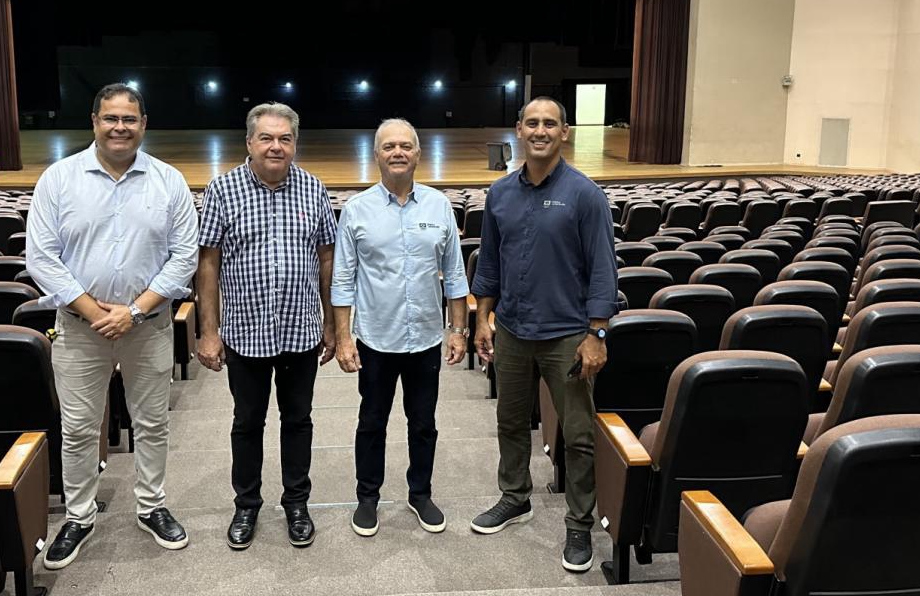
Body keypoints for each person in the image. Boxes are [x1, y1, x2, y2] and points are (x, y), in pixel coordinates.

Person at [26, 83, 199, 569]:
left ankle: (152, 505)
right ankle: (79, 516)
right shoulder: (59, 180)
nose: (119, 127)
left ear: (144, 125)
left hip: (149, 325)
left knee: (152, 422)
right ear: (94, 122)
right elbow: (41, 257)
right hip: (81, 329)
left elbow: (183, 258)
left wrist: (134, 310)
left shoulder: (169, 182)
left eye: (129, 119)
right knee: (79, 427)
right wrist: (94, 311)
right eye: (110, 118)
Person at [469, 97, 619, 573]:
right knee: (510, 423)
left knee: (577, 436)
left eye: (549, 123)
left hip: (567, 338)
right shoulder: (500, 194)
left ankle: (579, 525)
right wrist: (481, 320)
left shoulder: (585, 195)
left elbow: (603, 271)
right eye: (532, 123)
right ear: (518, 129)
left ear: (564, 133)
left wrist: (596, 333)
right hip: (511, 330)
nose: (540, 130)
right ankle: (515, 497)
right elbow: (489, 263)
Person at [195, 102, 337, 550]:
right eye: (267, 138)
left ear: (294, 143)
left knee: (299, 421)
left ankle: (297, 503)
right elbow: (209, 262)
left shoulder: (313, 189)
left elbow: (327, 259)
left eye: (285, 138)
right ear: (249, 143)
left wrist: (332, 326)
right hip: (245, 331)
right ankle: (247, 505)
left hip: (299, 330)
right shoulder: (223, 189)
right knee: (247, 422)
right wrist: (209, 331)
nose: (276, 146)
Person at [331, 118, 469, 537]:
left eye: (405, 146)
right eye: (389, 146)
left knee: (423, 422)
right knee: (372, 422)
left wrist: (458, 329)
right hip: (376, 338)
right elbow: (342, 279)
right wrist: (342, 337)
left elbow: (455, 273)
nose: (397, 152)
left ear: (417, 154)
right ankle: (367, 498)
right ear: (376, 154)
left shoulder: (438, 206)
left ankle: (420, 493)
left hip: (426, 338)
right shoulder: (356, 210)